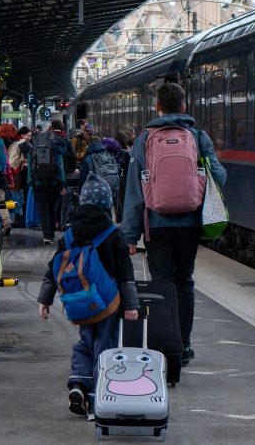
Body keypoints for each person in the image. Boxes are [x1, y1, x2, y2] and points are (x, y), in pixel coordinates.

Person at [122, 83, 226, 366]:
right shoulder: (197, 136)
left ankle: (164, 346)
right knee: (184, 281)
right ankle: (184, 345)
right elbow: (219, 176)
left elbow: (134, 191)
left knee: (161, 284)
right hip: (189, 224)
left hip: (156, 225)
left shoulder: (145, 139)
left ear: (157, 107)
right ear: (183, 106)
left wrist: (129, 235)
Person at [38, 175, 139, 418]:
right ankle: (96, 399)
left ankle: (78, 383)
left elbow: (53, 269)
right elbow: (125, 273)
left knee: (85, 342)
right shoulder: (113, 234)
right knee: (105, 345)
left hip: (79, 303)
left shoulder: (69, 235)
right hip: (108, 305)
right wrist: (131, 305)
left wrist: (45, 300)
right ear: (107, 203)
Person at [31, 119, 76, 245]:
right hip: (54, 182)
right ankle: (51, 233)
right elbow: (61, 166)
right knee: (52, 208)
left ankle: (47, 235)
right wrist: (62, 184)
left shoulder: (37, 142)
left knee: (42, 209)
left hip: (38, 181)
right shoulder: (62, 142)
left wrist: (32, 181)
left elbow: (30, 162)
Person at [0, 124, 18, 235]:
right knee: (0, 201)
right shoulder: (1, 146)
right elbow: (7, 166)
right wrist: (10, 181)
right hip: (1, 177)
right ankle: (6, 222)